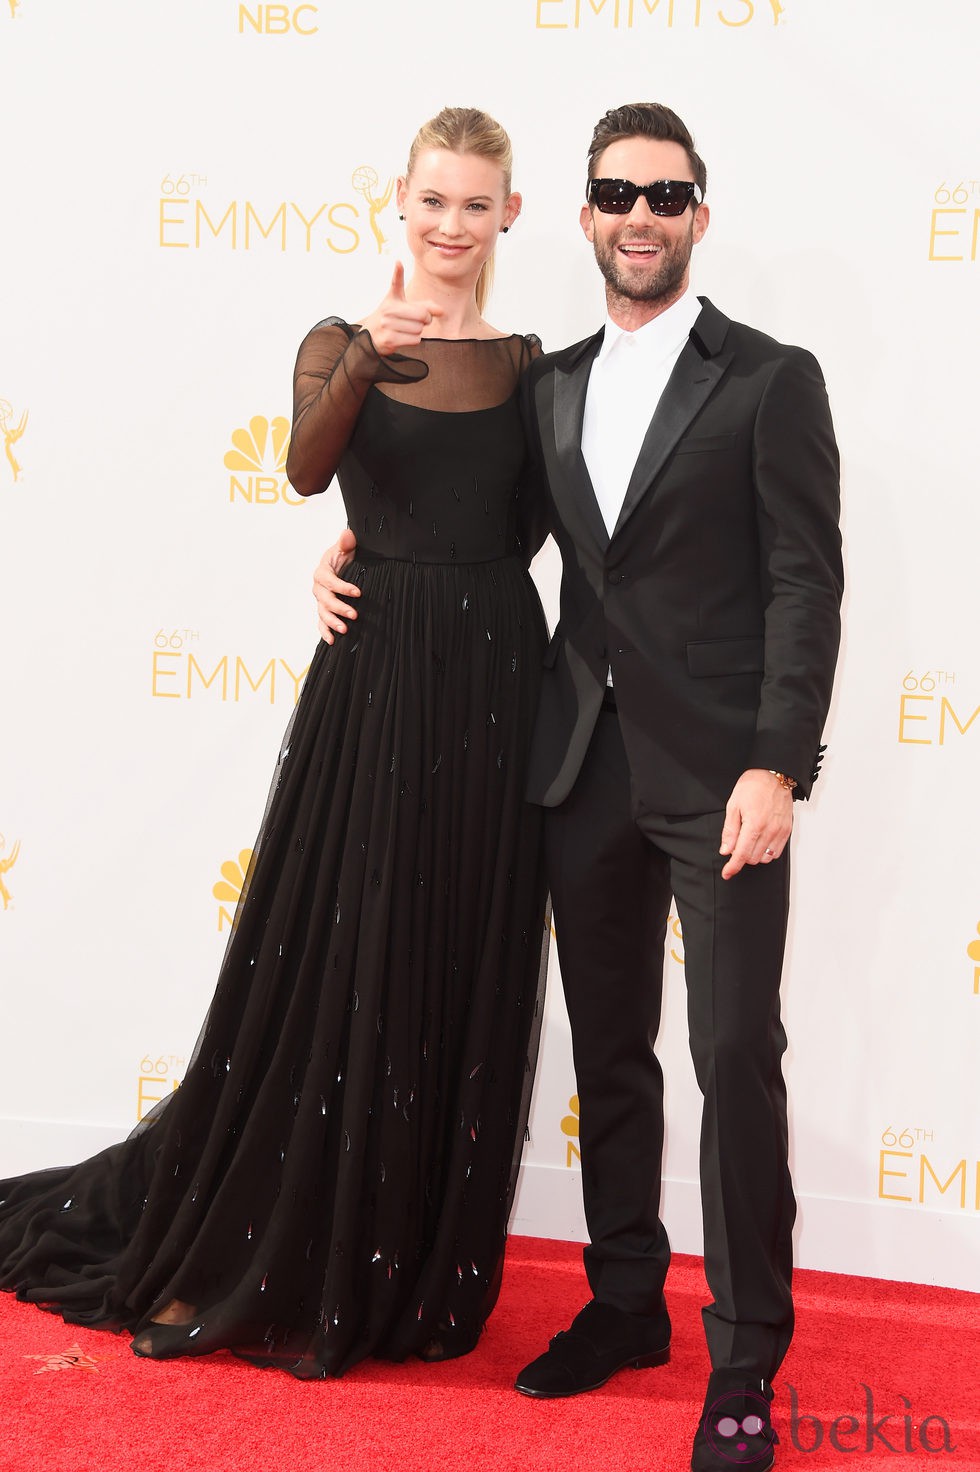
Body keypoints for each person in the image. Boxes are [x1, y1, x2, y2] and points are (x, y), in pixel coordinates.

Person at [314, 103, 843, 1469]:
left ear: (699, 217)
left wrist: (780, 759)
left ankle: (744, 1367)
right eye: (617, 193)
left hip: (724, 777)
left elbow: (804, 579)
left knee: (733, 1056)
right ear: (590, 216)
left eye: (668, 195)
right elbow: (461, 528)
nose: (642, 216)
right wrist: (335, 558)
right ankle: (623, 1305)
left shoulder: (770, 379)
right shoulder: (550, 384)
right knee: (609, 1057)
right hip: (578, 766)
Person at [0, 106, 550, 1379]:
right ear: (396, 203)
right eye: (432, 202)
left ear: (509, 214)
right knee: (348, 954)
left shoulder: (534, 364)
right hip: (372, 684)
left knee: (455, 951)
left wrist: (451, 588)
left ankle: (412, 1260)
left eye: (475, 205)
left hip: (491, 682)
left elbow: (528, 522)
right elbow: (307, 470)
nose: (451, 226)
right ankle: (307, 1244)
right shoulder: (335, 342)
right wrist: (365, 359)